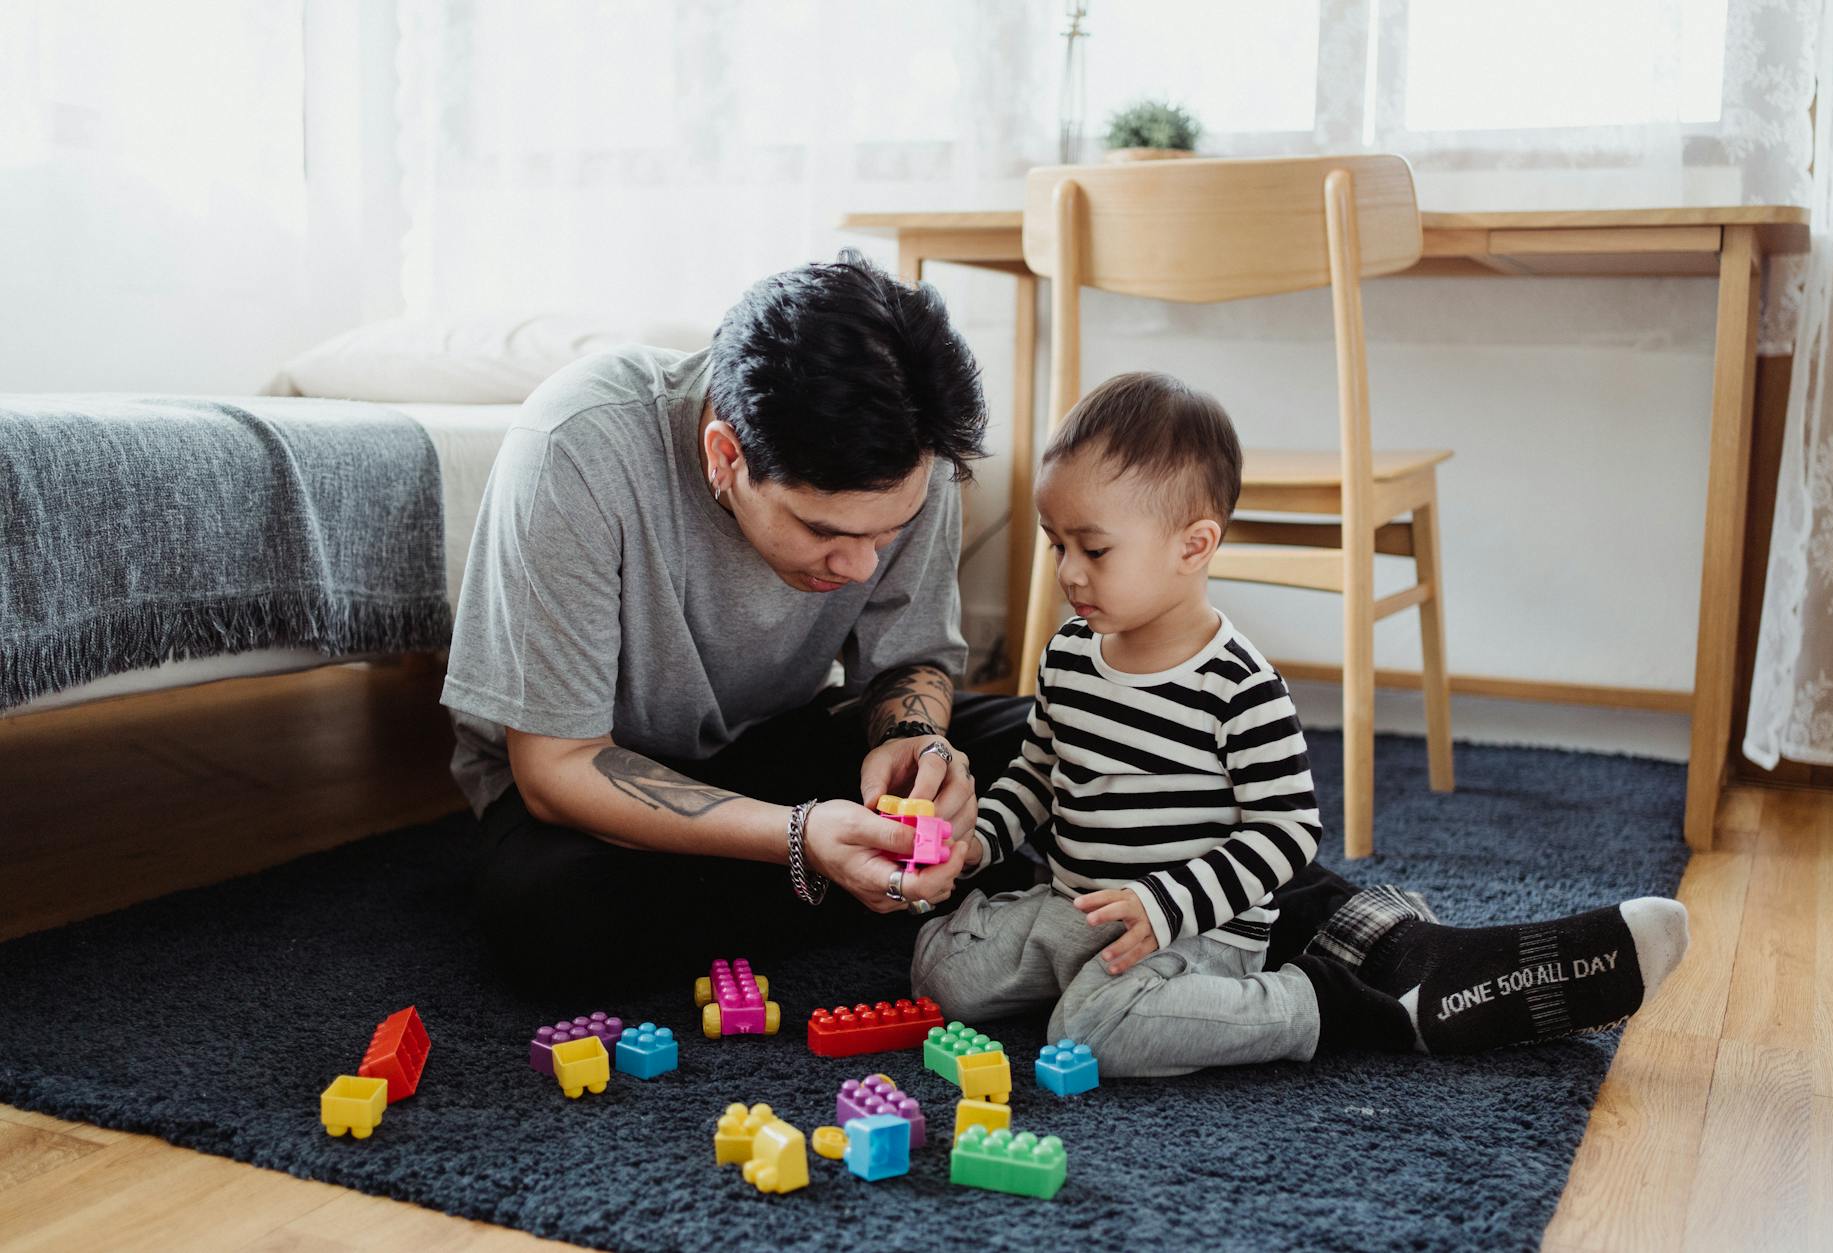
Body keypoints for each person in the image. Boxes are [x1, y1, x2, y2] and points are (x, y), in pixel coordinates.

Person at [909, 372, 1691, 1073]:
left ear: (1195, 545)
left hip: (1195, 928)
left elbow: (1285, 833)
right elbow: (1038, 775)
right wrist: (979, 841)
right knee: (941, 973)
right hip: (1081, 905)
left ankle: (1317, 1002)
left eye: (1095, 548)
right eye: (1056, 544)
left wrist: (1165, 904)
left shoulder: (1239, 683)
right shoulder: (1069, 655)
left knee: (1091, 1029)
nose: (1069, 571)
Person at [441, 250, 1028, 996]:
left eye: (884, 534)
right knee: (552, 915)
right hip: (592, 785)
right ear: (726, 456)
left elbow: (906, 666)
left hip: (772, 742)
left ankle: (861, 873)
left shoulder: (915, 457)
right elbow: (555, 769)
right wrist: (800, 838)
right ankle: (890, 882)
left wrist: (917, 745)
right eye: (823, 532)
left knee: (1054, 741)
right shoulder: (576, 447)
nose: (858, 567)